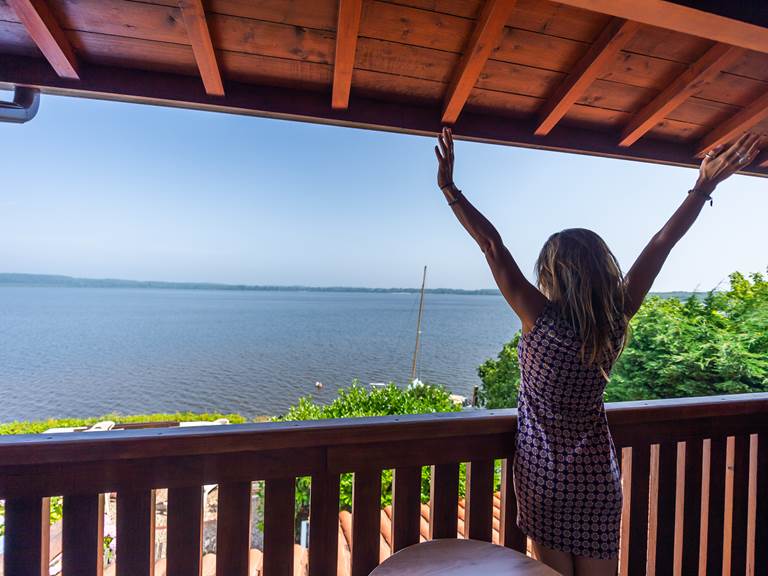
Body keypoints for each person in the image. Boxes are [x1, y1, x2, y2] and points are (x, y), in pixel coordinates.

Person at [433, 128, 761, 576]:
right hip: (596, 481)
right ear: (601, 270)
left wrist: (450, 189)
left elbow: (492, 246)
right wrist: (702, 188)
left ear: (552, 274)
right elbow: (661, 245)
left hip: (545, 479)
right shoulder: (613, 321)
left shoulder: (539, 319)